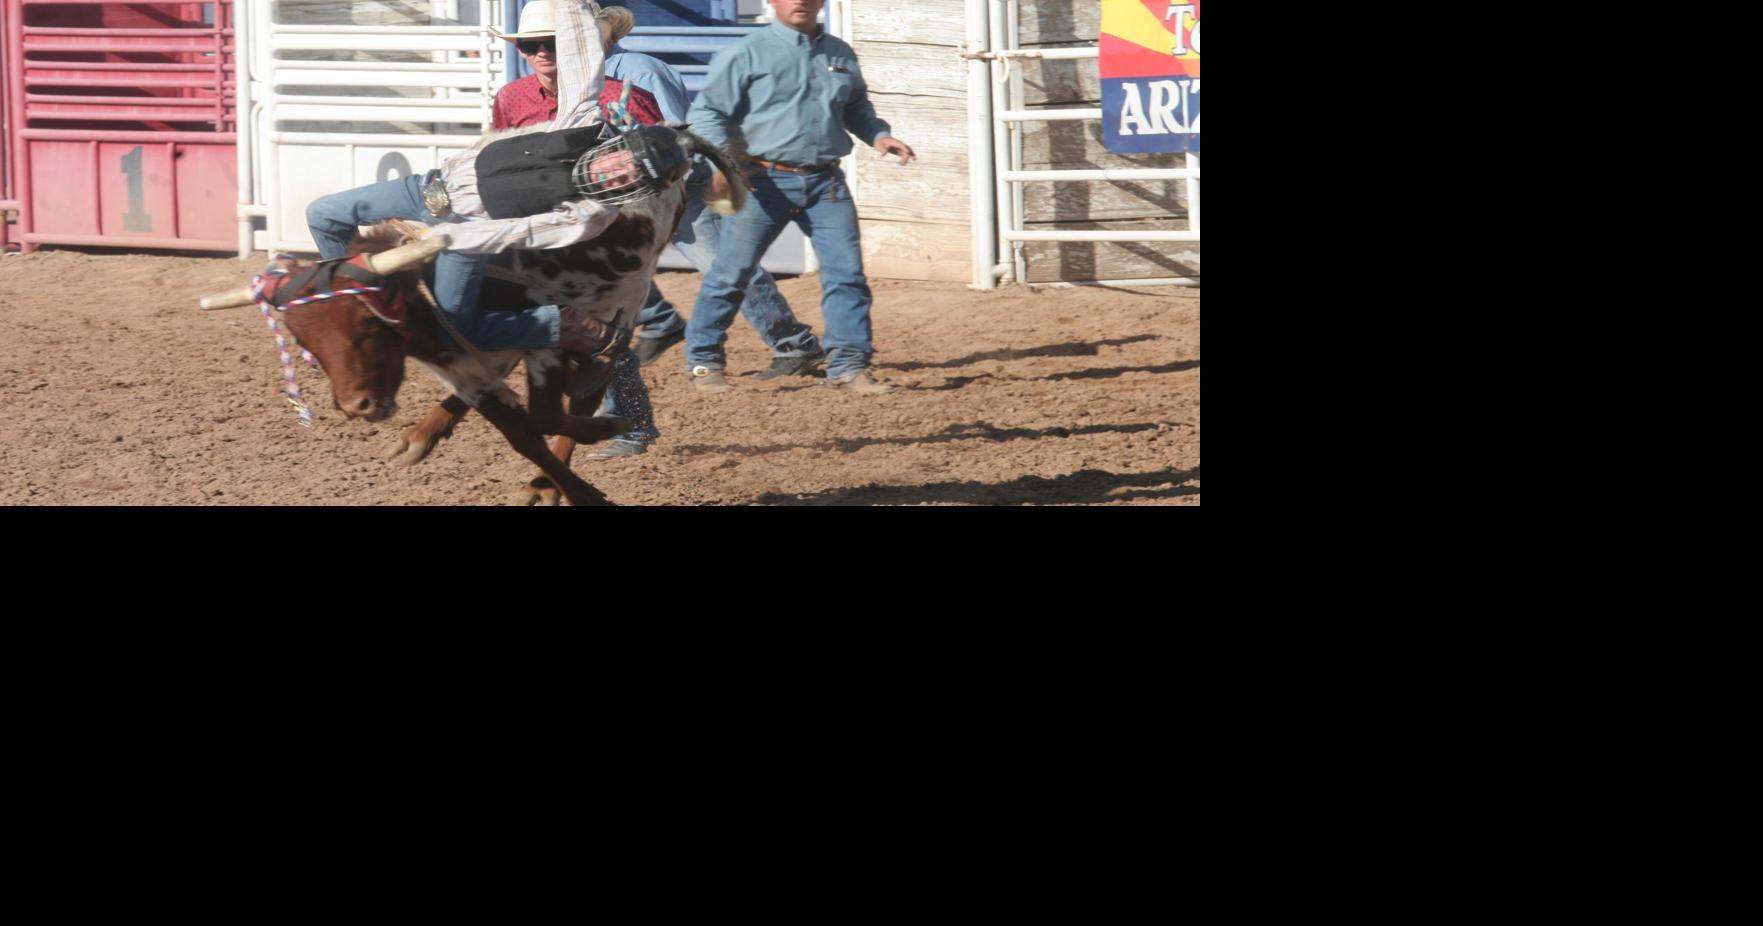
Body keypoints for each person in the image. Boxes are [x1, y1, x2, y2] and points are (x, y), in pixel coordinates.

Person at [305, 0, 679, 398]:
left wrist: (447, 238)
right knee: (324, 214)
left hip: (487, 233)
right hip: (431, 188)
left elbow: (532, 228)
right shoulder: (560, 109)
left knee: (464, 328)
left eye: (549, 44)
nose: (540, 53)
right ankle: (344, 302)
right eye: (530, 45)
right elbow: (575, 61)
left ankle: (586, 344)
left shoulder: (592, 200)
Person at [682, 0, 913, 395]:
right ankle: (704, 363)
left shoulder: (840, 52)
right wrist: (723, 163)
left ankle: (849, 366)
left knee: (847, 276)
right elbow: (707, 113)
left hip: (826, 182)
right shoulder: (745, 53)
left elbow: (856, 105)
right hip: (760, 178)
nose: (800, 1)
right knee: (731, 274)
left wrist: (878, 134)